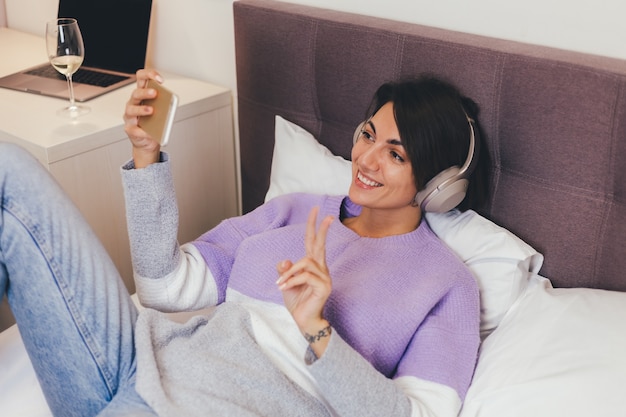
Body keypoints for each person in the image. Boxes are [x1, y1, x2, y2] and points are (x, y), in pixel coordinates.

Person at [0, 69, 488, 417]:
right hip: (145, 359)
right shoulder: (293, 210)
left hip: (217, 403)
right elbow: (164, 289)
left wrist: (317, 330)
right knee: (9, 172)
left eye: (395, 153)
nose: (366, 158)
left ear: (439, 183)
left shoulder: (446, 286)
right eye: (368, 134)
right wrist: (146, 156)